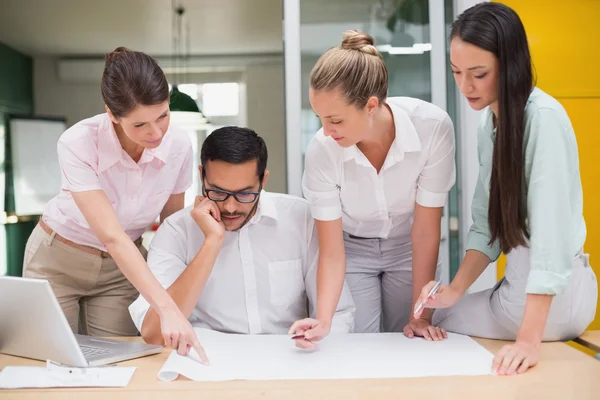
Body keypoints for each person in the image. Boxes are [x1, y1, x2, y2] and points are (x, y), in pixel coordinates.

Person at [415, 2, 598, 375]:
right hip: (535, 294)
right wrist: (452, 289)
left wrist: (528, 341)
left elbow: (551, 236)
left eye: (479, 74)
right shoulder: (493, 124)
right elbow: (486, 228)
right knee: (441, 311)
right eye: (456, 72)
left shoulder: (543, 119)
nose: (465, 86)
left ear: (509, 64)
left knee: (441, 322)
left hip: (548, 298)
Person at [23, 47, 205, 358]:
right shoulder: (78, 142)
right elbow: (111, 236)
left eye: (163, 115)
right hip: (59, 259)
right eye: (140, 125)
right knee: (52, 361)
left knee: (117, 360)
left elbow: (171, 223)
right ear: (111, 114)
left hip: (122, 270)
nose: (156, 132)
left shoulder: (178, 145)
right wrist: (166, 306)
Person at [129, 126, 355, 361]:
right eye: (217, 192)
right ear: (201, 176)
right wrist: (212, 242)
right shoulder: (176, 230)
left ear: (263, 180)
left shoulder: (302, 219)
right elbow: (153, 333)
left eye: (245, 194)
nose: (230, 207)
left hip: (291, 359)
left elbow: (338, 314)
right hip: (206, 362)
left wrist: (321, 352)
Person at [289, 30, 456, 344]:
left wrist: (420, 317)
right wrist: (324, 321)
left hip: (409, 246)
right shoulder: (322, 150)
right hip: (352, 248)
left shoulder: (432, 128)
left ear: (370, 105)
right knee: (356, 341)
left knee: (408, 337)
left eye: (335, 120)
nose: (326, 131)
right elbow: (331, 250)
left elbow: (425, 230)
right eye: (319, 118)